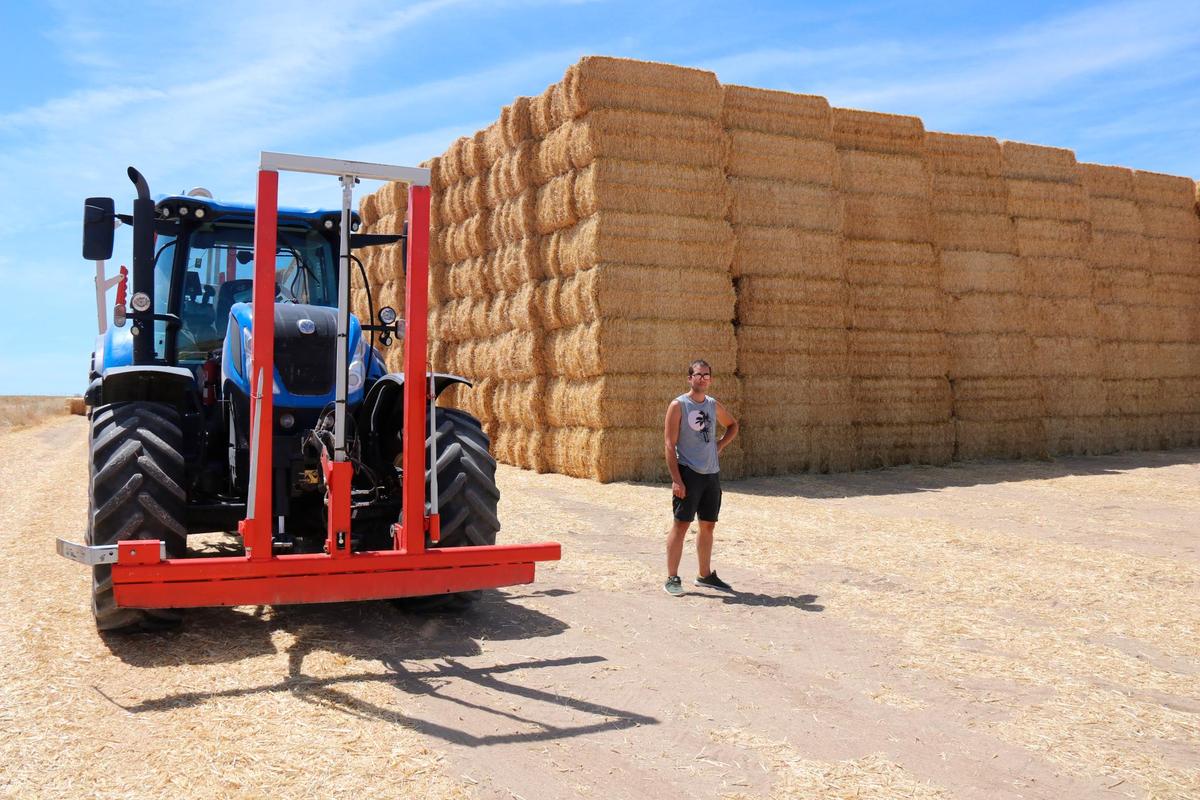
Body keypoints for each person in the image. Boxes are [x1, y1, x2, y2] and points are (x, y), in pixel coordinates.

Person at [663, 359, 739, 596]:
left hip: (711, 475)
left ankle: (704, 575)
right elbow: (668, 444)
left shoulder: (712, 405)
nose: (703, 378)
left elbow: (733, 425)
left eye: (707, 375)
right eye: (698, 374)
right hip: (688, 473)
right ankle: (672, 578)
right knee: (681, 524)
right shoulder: (679, 405)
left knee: (708, 525)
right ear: (689, 378)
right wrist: (677, 479)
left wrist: (720, 446)